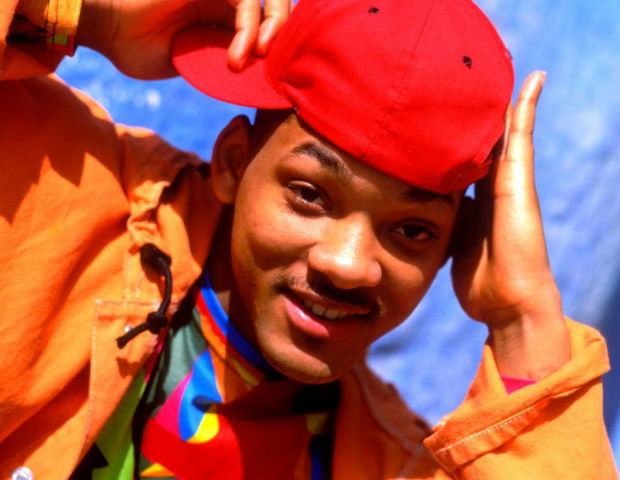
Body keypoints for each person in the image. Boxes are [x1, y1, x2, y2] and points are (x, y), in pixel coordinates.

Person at [0, 0, 616, 478]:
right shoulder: (59, 186)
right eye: (309, 195)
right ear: (234, 161)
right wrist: (90, 17)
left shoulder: (388, 465)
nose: (348, 265)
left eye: (412, 231)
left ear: (454, 248)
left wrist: (522, 323)